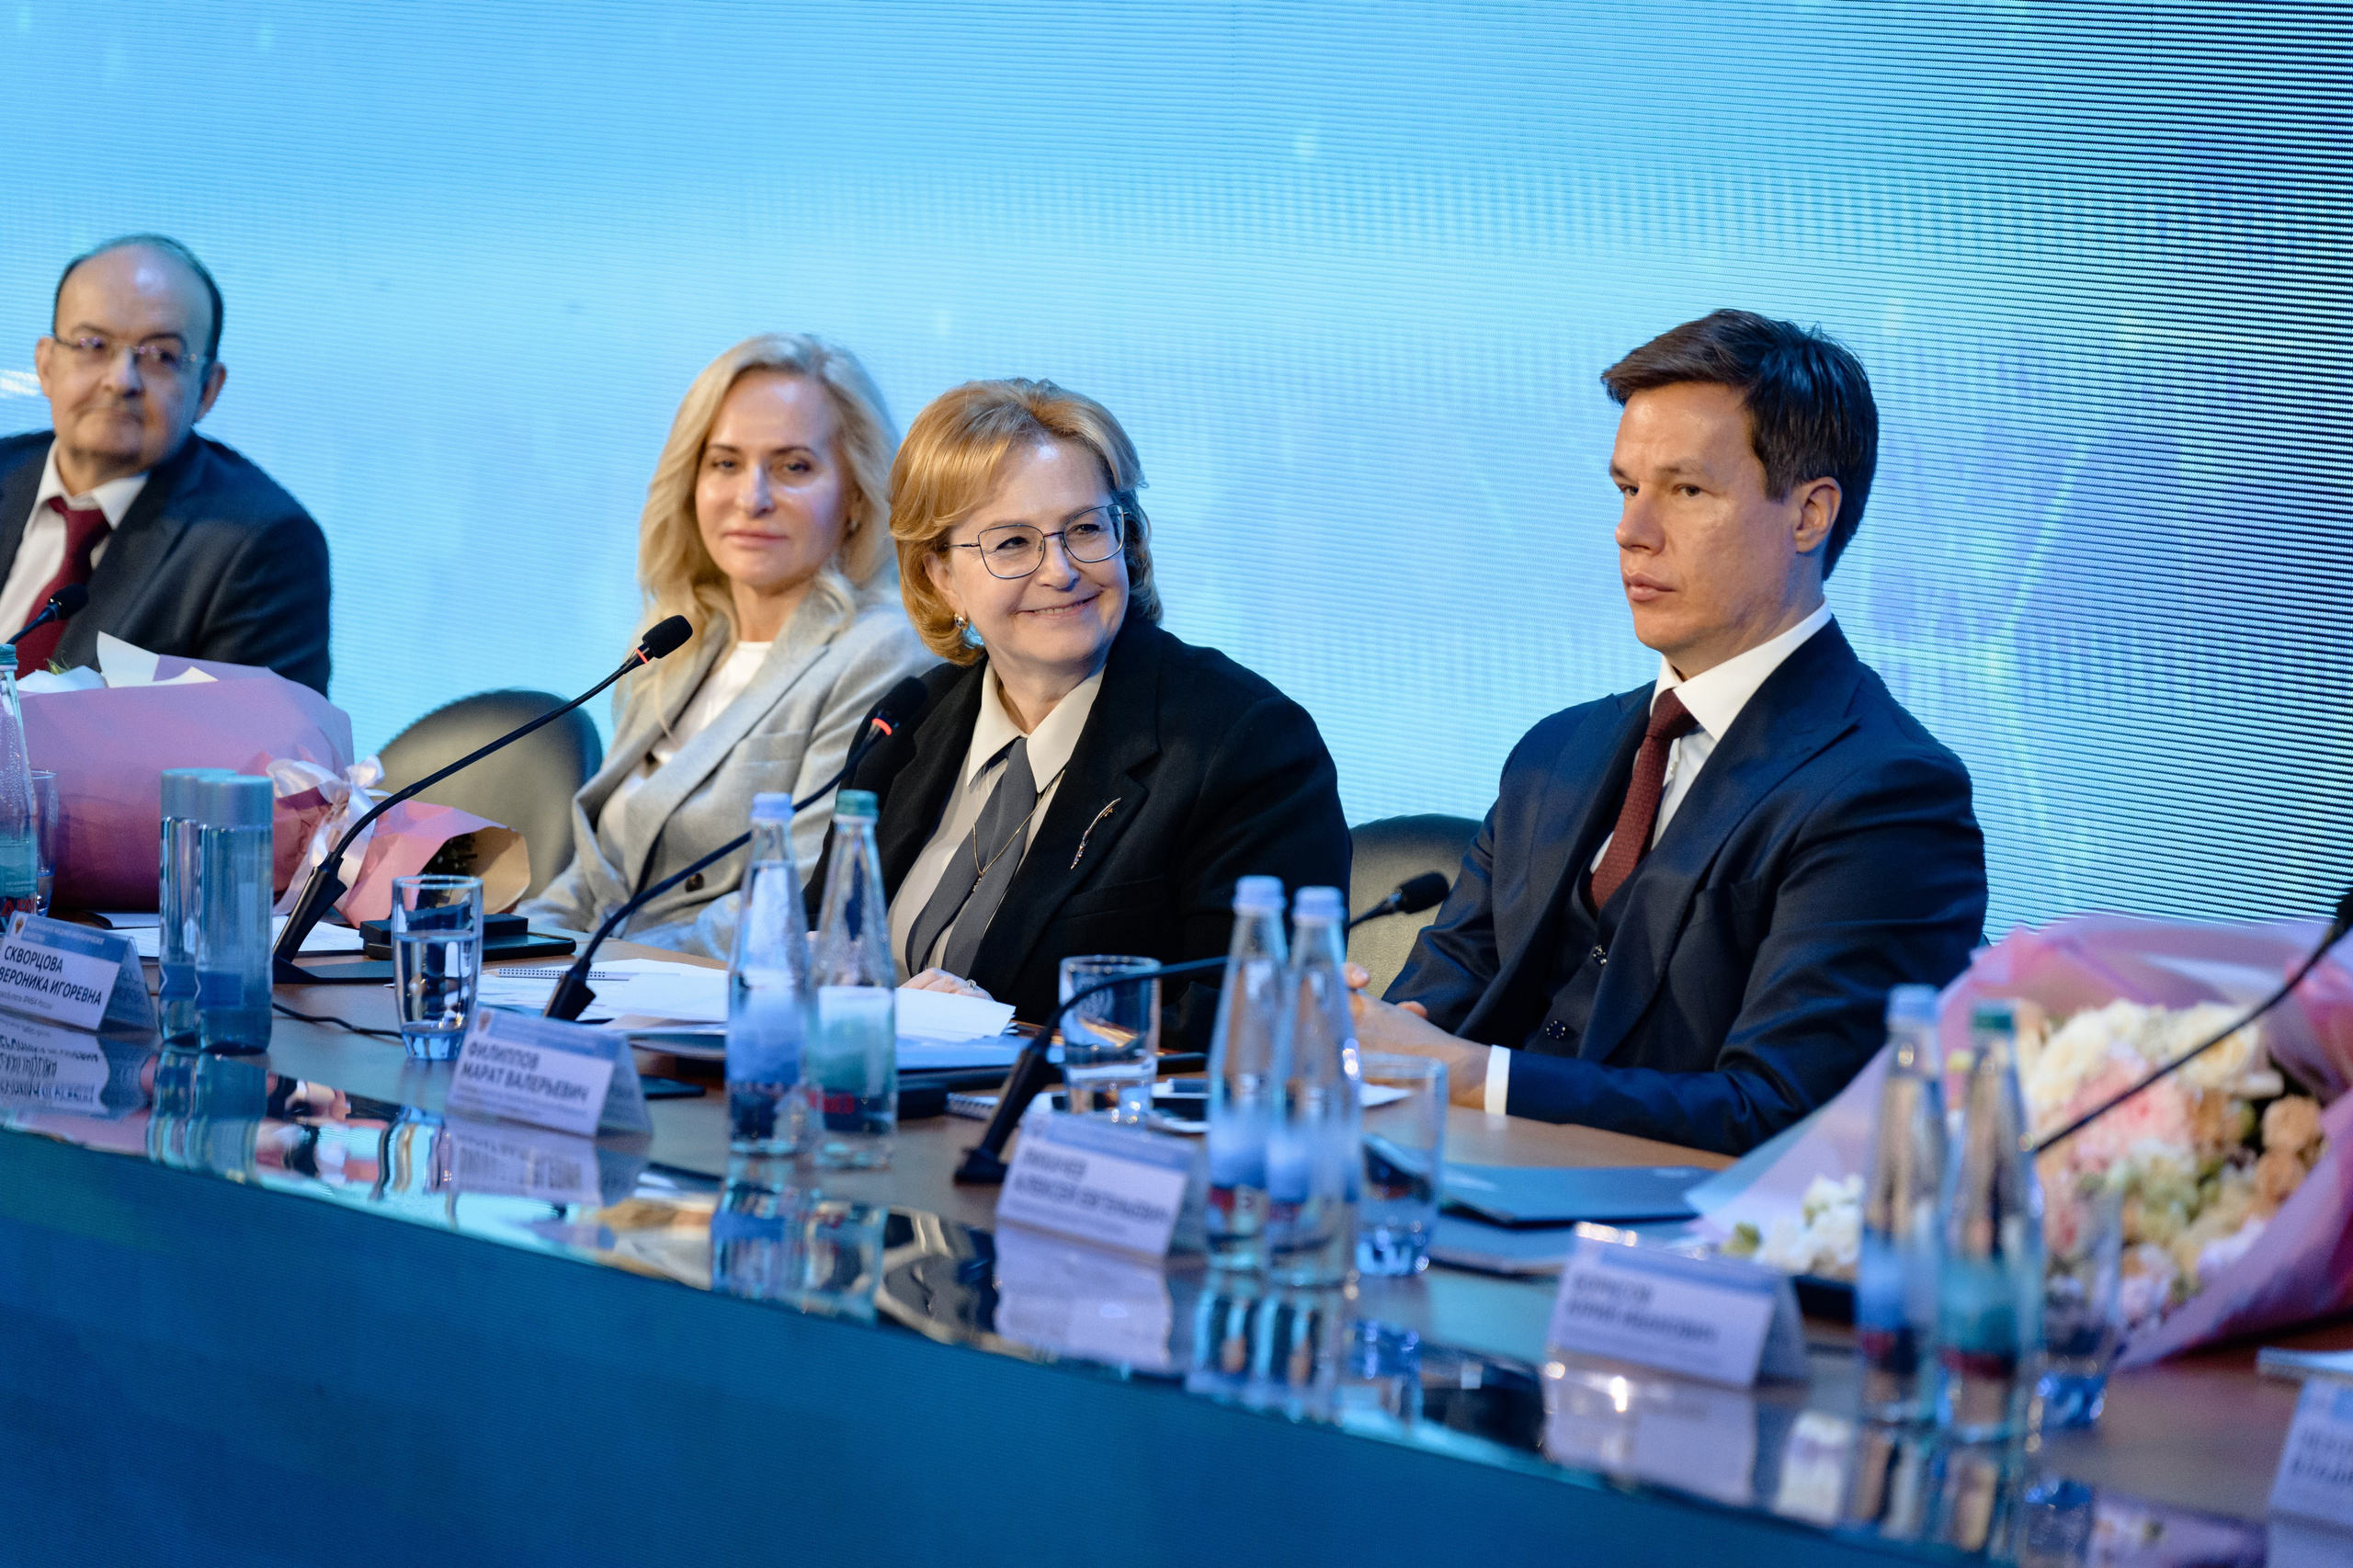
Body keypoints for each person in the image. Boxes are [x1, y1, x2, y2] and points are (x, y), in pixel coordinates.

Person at [1358, 310, 1987, 1155]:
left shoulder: (1889, 793)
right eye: (1627, 489)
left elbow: (1781, 1115)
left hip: (1676, 1228)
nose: (1632, 532)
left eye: (1686, 491)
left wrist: (1476, 1077)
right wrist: (1357, 1037)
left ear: (1809, 515)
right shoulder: (1555, 753)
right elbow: (1435, 1007)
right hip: (1448, 1192)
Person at [831, 377, 1349, 1045]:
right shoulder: (910, 723)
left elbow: (1255, 1016)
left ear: (1125, 538)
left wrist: (997, 1032)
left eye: (1084, 529)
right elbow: (825, 941)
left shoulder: (1245, 742)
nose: (1061, 570)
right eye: (1012, 543)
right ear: (942, 577)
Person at [517, 335, 935, 957]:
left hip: (709, 991)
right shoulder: (676, 640)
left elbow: (794, 894)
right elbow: (593, 877)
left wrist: (599, 965)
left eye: (794, 467)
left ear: (855, 496)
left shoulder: (885, 651)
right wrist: (505, 950)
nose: (752, 498)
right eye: (725, 463)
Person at [0, 234, 332, 691]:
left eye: (161, 356)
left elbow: (261, 734)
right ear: (46, 365)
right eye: (93, 344)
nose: (121, 380)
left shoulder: (263, 544)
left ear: (208, 389)